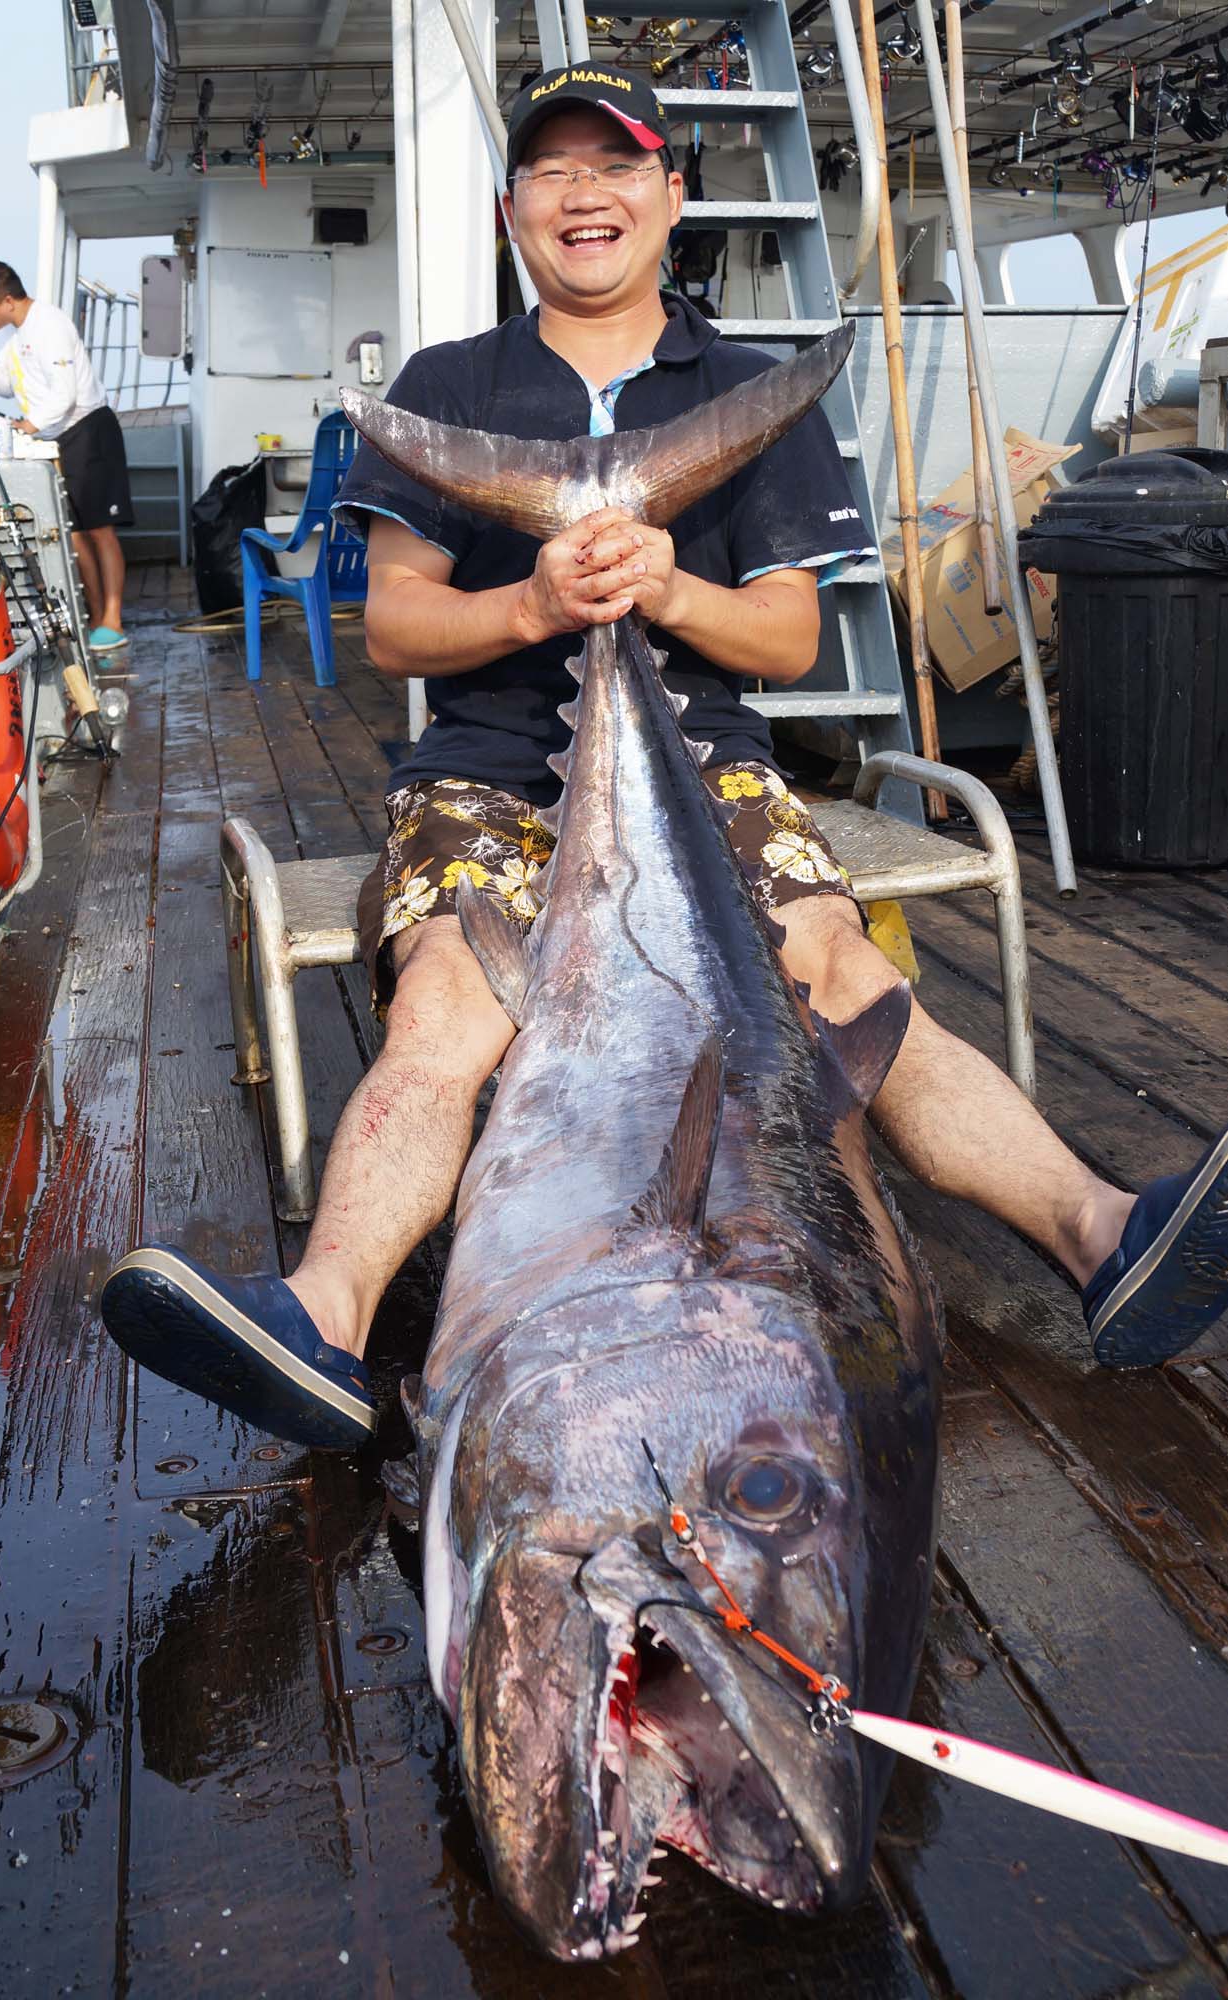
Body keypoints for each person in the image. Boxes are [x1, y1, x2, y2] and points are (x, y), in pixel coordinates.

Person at [99, 67, 1228, 1450]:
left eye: (618, 167)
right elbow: (391, 626)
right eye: (553, 173)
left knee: (841, 968)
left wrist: (667, 588)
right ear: (514, 209)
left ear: (670, 199)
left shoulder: (749, 393)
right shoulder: (451, 386)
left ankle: (1105, 1234)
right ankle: (322, 1319)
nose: (587, 195)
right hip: (486, 774)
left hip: (708, 770)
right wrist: (535, 603)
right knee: (448, 1007)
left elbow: (791, 639)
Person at [0, 259, 133, 652]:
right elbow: (7, 385)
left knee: (99, 530)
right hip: (58, 438)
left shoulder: (50, 325)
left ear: (7, 300)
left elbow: (65, 395)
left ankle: (114, 618)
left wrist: (28, 427)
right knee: (74, 535)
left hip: (89, 431)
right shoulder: (17, 337)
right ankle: (95, 616)